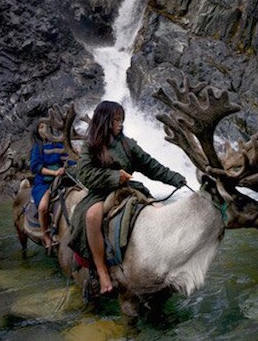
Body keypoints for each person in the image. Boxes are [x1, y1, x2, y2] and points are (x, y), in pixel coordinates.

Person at [68, 101, 186, 295]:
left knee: (159, 209)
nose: (120, 124)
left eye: (121, 119)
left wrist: (176, 179)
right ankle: (101, 271)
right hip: (101, 192)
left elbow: (151, 166)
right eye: (115, 120)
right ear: (104, 121)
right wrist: (114, 177)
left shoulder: (127, 143)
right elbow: (85, 173)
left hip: (129, 189)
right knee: (91, 217)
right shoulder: (91, 146)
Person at [30, 122, 69, 250]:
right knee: (43, 207)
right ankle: (46, 236)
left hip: (63, 179)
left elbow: (68, 159)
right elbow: (36, 167)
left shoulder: (60, 146)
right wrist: (54, 172)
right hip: (44, 182)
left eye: (45, 126)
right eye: (40, 127)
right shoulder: (38, 148)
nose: (44, 129)